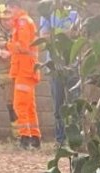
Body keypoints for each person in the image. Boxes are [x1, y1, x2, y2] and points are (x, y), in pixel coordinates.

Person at [0, 3, 41, 149]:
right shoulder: (24, 21)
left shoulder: (22, 22)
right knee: (29, 106)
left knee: (19, 105)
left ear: (15, 7)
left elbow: (22, 46)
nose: (9, 14)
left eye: (10, 10)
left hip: (25, 70)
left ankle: (25, 138)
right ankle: (34, 137)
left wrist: (7, 46)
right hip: (26, 69)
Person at [38, 4, 78, 146]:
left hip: (74, 64)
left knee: (76, 104)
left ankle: (76, 140)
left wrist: (57, 36)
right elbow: (44, 37)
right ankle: (60, 140)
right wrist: (67, 34)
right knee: (58, 105)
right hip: (54, 65)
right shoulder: (47, 12)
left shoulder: (76, 11)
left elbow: (80, 34)